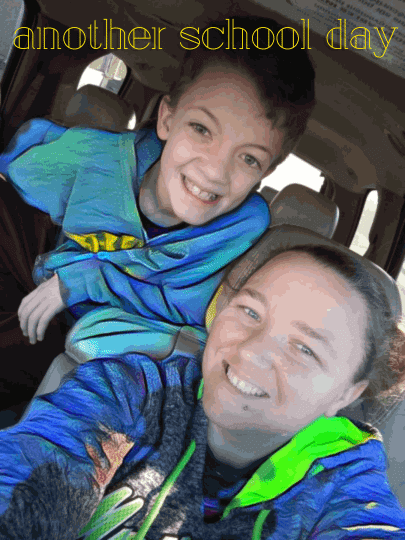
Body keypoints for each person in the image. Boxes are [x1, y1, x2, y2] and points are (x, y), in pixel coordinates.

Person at [0, 224, 405, 539]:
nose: (251, 351)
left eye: (304, 348)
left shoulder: (344, 480)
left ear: (347, 393)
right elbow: (31, 471)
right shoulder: (130, 390)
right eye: (250, 312)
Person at [0, 17, 315, 374]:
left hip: (112, 355)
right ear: (166, 119)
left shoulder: (239, 234)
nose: (215, 171)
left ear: (265, 174)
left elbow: (186, 309)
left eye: (249, 159)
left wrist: (84, 280)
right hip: (34, 296)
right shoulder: (99, 159)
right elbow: (18, 177)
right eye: (201, 129)